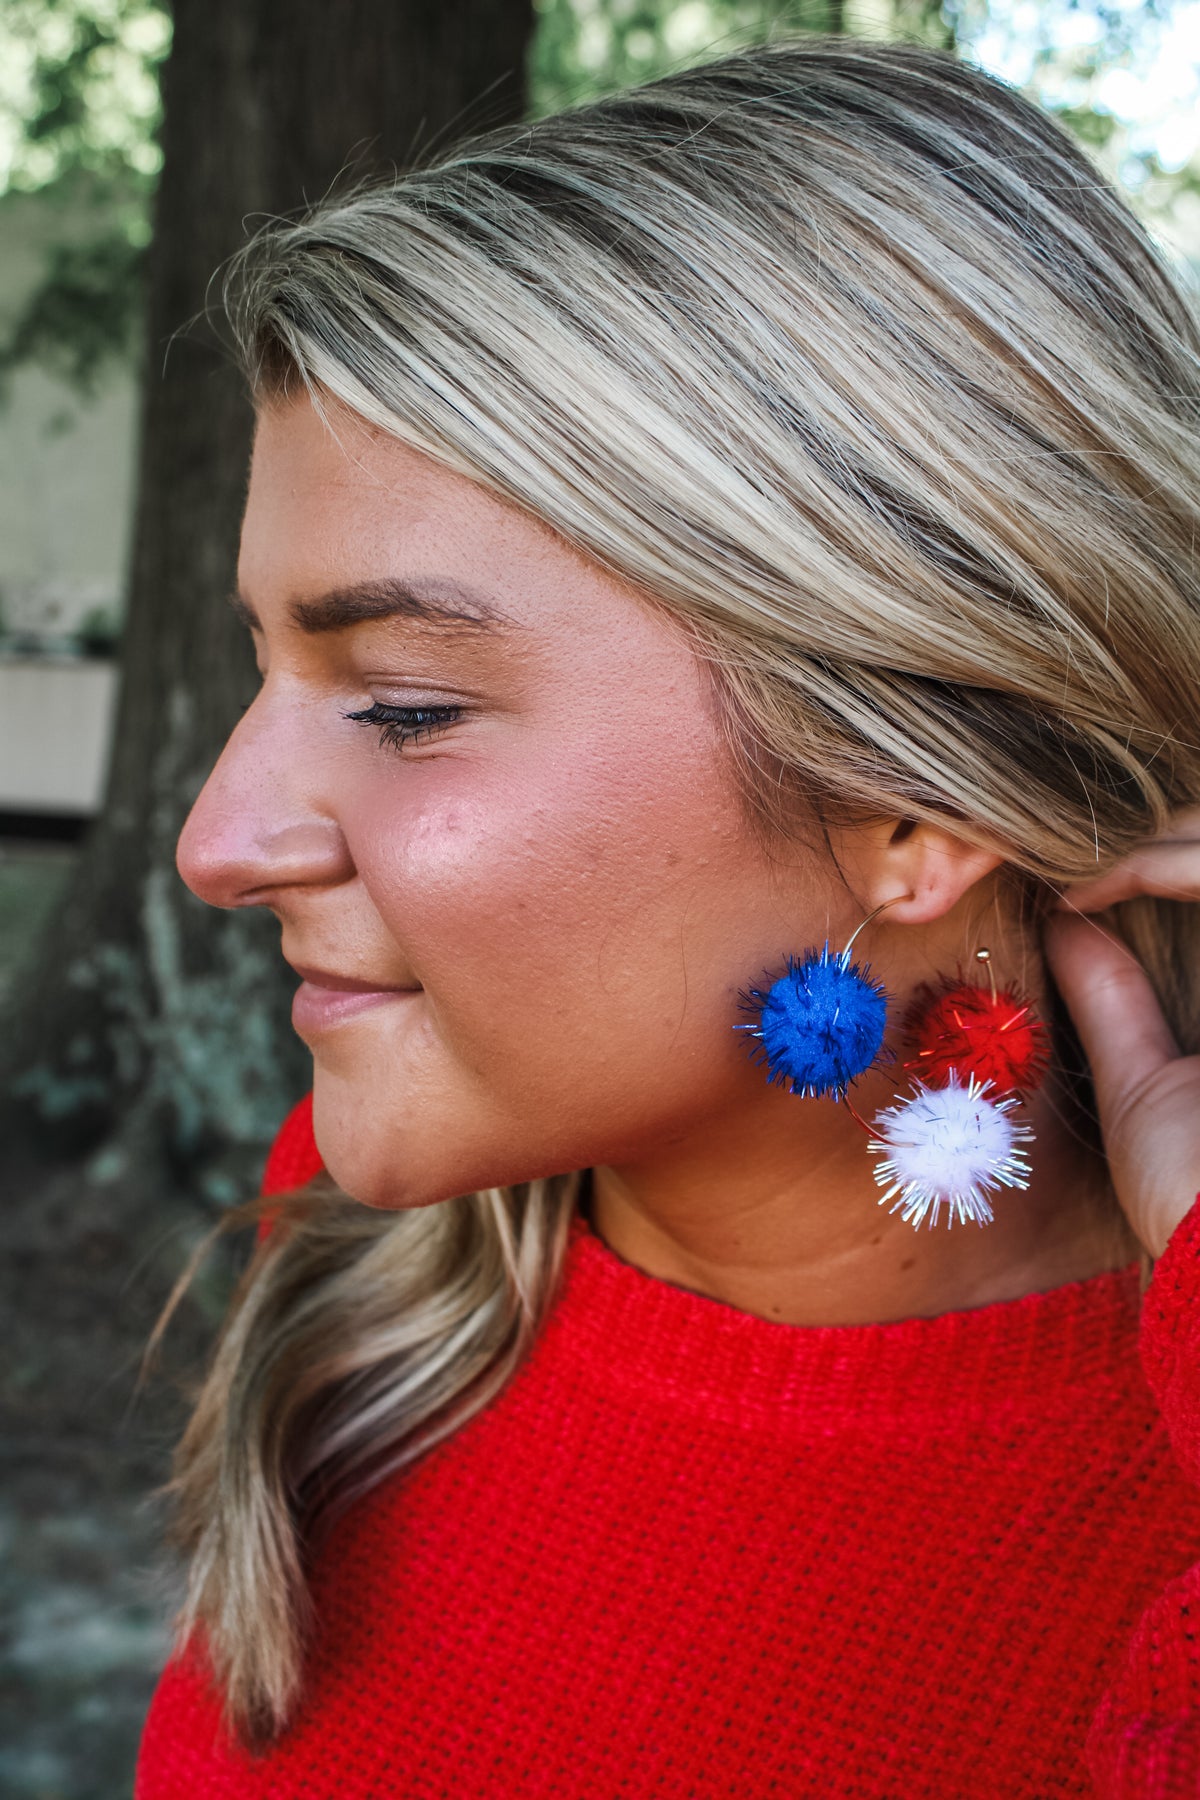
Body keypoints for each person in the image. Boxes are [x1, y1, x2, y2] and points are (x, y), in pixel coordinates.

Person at [135, 37, 1200, 1797]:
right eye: (263, 670)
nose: (218, 843)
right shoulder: (362, 1276)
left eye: (401, 704)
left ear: (913, 807)